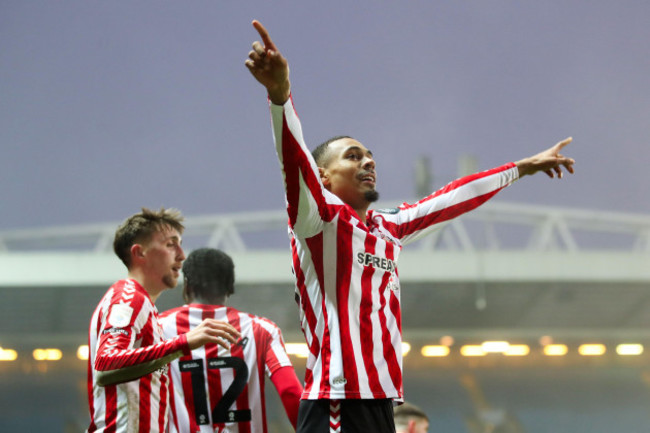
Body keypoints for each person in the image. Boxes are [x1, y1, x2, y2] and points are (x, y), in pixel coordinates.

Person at [245, 20, 575, 433]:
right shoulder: (319, 221)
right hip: (337, 401)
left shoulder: (389, 228)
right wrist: (280, 95)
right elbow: (292, 161)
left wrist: (521, 168)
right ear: (324, 178)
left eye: (370, 155)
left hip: (382, 401)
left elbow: (453, 198)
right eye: (353, 156)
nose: (368, 161)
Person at [86, 208, 241, 433]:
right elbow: (106, 365)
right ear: (140, 253)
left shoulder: (145, 307)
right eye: (170, 245)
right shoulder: (128, 297)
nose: (182, 255)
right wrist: (183, 342)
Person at [159, 248, 303, 433]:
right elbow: (290, 391)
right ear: (231, 288)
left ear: (186, 286)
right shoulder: (262, 330)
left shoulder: (159, 328)